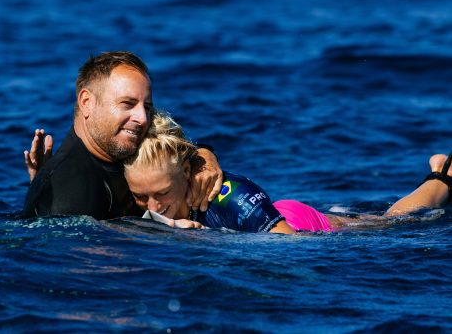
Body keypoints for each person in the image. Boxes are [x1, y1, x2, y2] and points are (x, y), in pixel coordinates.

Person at [123, 111, 452, 234]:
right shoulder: (141, 191)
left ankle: (442, 174)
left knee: (392, 223)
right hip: (265, 220)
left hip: (292, 224)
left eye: (162, 193)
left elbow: (288, 253)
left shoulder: (229, 197)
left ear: (185, 172)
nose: (153, 206)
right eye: (141, 196)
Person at [21, 51, 223, 220]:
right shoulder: (70, 193)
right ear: (86, 102)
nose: (142, 118)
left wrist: (202, 158)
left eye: (147, 107)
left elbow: (172, 152)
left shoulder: (115, 148)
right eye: (127, 104)